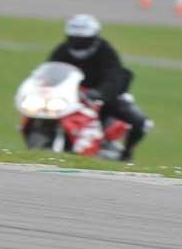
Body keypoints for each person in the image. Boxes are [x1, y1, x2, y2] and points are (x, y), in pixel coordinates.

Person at [48, 14, 150, 161]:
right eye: (74, 39)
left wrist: (98, 93)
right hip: (70, 97)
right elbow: (50, 70)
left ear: (94, 37)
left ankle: (126, 154)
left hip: (101, 96)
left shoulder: (106, 51)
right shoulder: (62, 50)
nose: (78, 43)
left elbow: (113, 77)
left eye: (83, 40)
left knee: (141, 123)